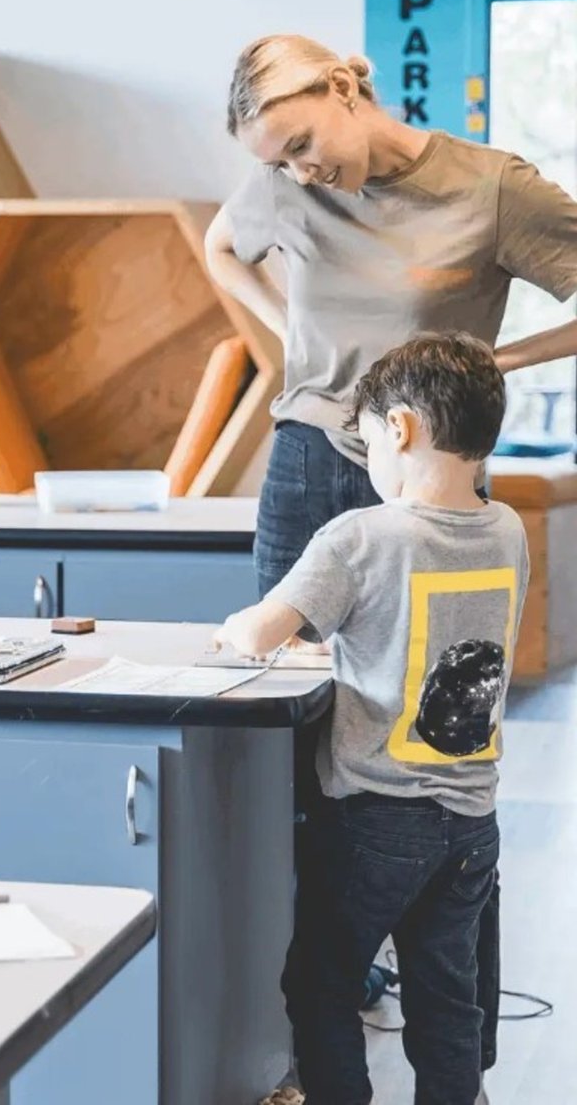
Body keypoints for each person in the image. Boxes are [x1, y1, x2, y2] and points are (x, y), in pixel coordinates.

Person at [204, 34, 577, 1100]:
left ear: (345, 87)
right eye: (273, 159)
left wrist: (489, 367)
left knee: (427, 730)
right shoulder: (278, 184)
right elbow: (219, 245)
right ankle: (309, 1010)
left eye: (302, 144)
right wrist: (292, 342)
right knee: (290, 727)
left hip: (423, 481)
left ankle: (419, 991)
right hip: (309, 465)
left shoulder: (491, 189)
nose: (293, 173)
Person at [216, 333, 528, 1105]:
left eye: (367, 441)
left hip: (374, 821)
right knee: (447, 1001)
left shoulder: (361, 536)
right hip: (471, 820)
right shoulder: (509, 530)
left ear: (400, 430)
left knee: (321, 984)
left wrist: (232, 629)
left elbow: (262, 632)